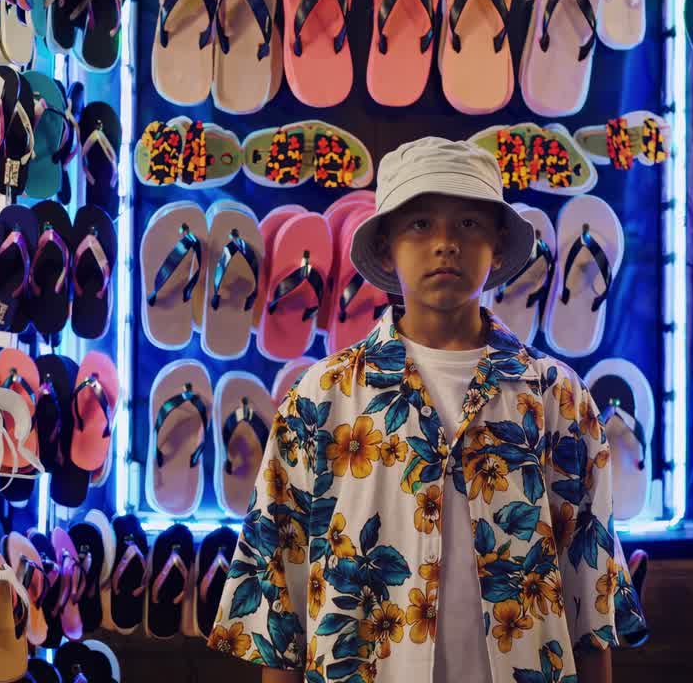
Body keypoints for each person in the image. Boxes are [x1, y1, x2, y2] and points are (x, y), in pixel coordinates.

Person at [208, 137, 647, 682]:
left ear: (497, 242)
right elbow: (279, 609)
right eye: (419, 224)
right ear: (389, 244)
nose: (445, 243)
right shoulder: (320, 399)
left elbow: (591, 600)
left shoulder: (557, 398)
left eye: (468, 223)